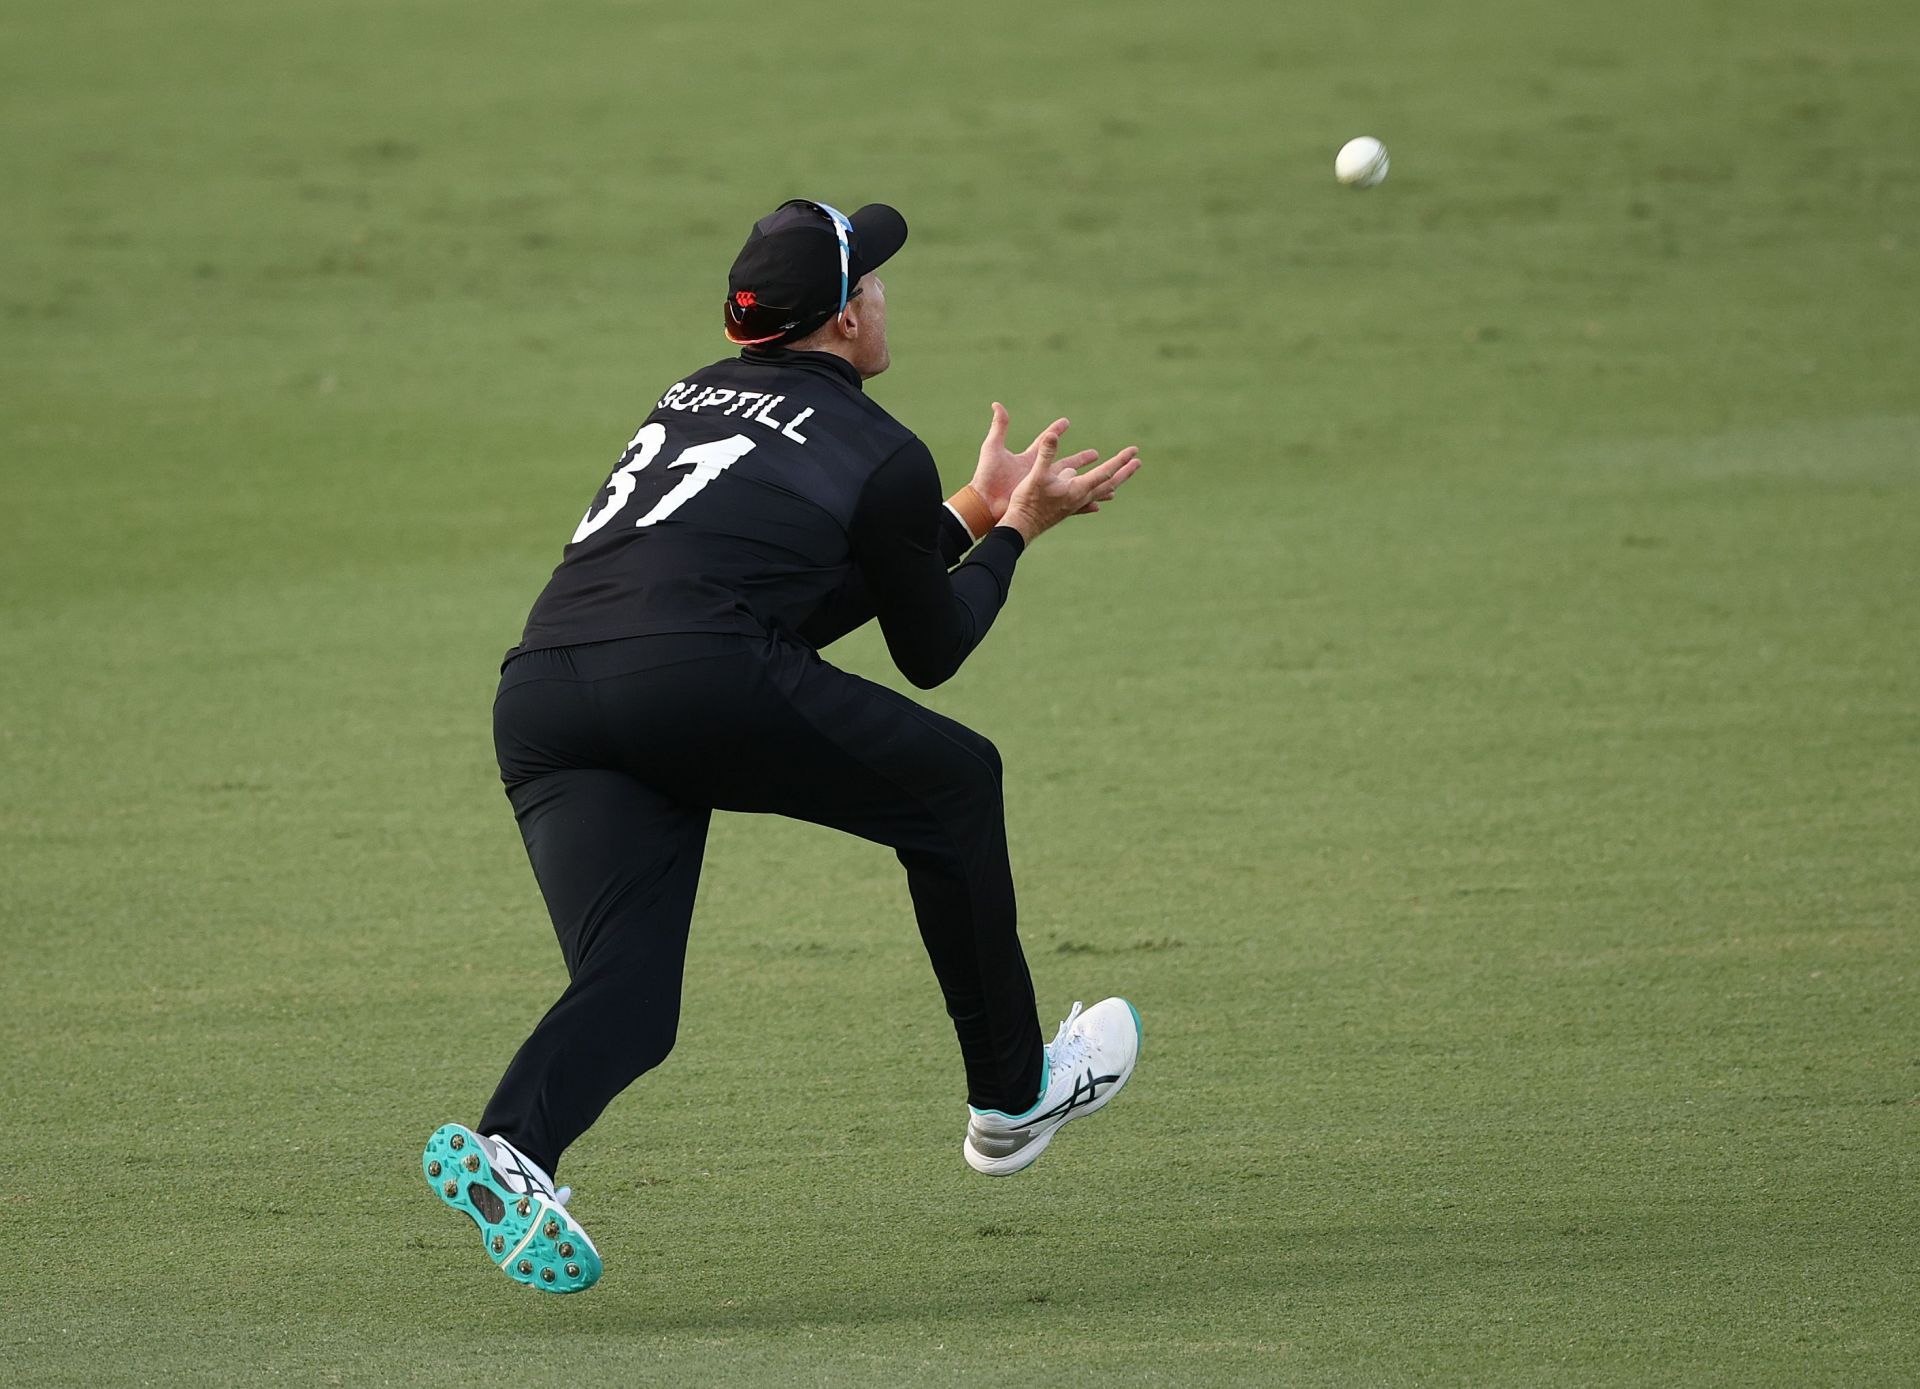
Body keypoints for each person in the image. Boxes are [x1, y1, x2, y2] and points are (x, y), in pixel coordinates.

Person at [421, 199, 1145, 1294]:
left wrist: (961, 517)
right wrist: (1015, 533)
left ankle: (513, 1150)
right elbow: (931, 649)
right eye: (877, 283)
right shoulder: (876, 446)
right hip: (690, 680)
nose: (887, 296)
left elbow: (773, 600)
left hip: (547, 695)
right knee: (956, 783)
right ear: (847, 319)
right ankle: (1011, 1098)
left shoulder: (687, 394)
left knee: (628, 990)